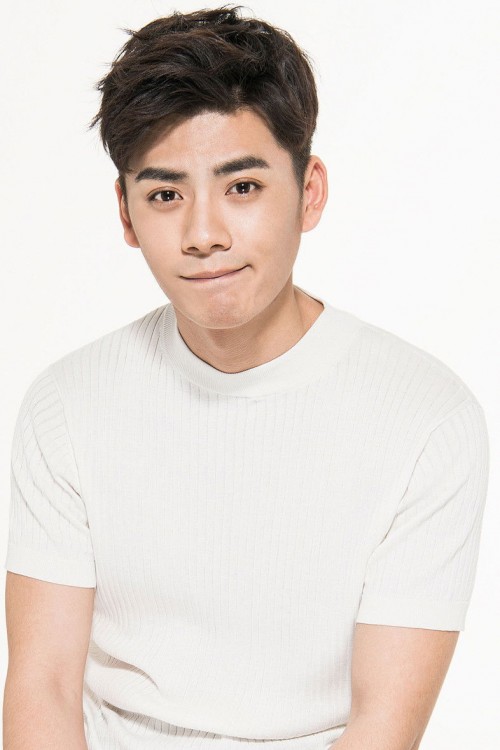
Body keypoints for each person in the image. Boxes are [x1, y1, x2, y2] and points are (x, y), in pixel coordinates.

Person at [3, 5, 490, 749]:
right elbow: (42, 686)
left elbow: (383, 726)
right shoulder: (67, 406)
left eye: (243, 187)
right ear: (127, 215)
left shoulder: (426, 417)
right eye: (166, 195)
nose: (204, 235)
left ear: (309, 191)